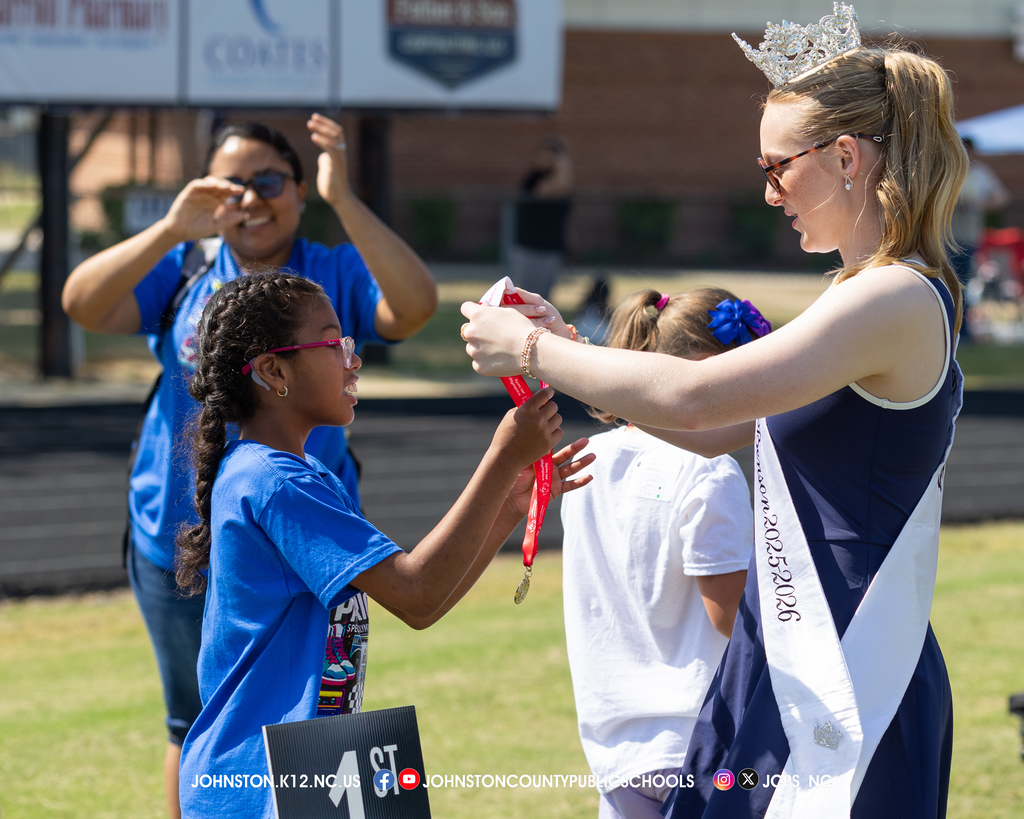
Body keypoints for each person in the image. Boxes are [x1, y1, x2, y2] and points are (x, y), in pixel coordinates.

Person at [460, 5, 967, 816]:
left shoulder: (893, 295)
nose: (769, 193)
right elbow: (729, 429)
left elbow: (698, 398)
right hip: (793, 653)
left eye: (776, 168)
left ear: (844, 156)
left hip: (856, 666)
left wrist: (530, 351)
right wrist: (568, 348)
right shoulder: (862, 292)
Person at [61, 114, 438, 818]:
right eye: (231, 183)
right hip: (175, 532)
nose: (251, 197)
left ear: (299, 190)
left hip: (300, 539)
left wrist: (346, 198)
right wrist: (174, 228)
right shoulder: (188, 269)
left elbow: (415, 306)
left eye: (269, 180)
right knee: (198, 717)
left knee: (308, 712)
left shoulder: (325, 275)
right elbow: (81, 301)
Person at [174, 270, 592, 819]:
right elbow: (416, 591)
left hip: (308, 773)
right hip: (257, 787)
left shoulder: (303, 475)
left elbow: (424, 603)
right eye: (333, 343)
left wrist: (508, 506)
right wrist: (503, 457)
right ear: (275, 370)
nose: (353, 359)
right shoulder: (278, 484)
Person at [560, 287, 759, 819]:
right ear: (708, 370)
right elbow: (733, 621)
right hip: (700, 740)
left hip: (613, 740)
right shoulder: (710, 470)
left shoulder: (591, 459)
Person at [951, 137, 1010, 341]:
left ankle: (964, 332)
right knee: (947, 283)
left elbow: (1001, 196)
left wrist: (979, 204)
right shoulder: (948, 169)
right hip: (944, 236)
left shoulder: (980, 173)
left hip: (968, 236)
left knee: (964, 283)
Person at [509, 136, 574, 300]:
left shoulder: (564, 181)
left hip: (551, 248)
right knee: (526, 297)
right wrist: (563, 165)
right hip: (530, 248)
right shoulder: (533, 179)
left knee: (543, 300)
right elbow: (552, 190)